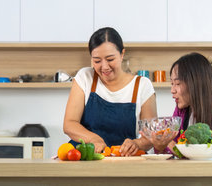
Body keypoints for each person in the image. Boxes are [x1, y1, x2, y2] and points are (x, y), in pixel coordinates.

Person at [63, 27, 156, 156]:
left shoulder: (142, 85)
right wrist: (94, 139)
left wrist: (137, 144)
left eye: (110, 59)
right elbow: (69, 124)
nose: (104, 67)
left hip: (124, 162)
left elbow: (150, 137)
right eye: (97, 61)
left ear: (122, 54)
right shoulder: (85, 77)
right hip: (86, 159)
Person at [148, 52, 212, 159]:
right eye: (172, 84)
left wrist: (170, 144)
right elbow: (171, 154)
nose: (172, 90)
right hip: (196, 171)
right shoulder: (182, 109)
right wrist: (160, 146)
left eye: (178, 83)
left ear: (195, 82)